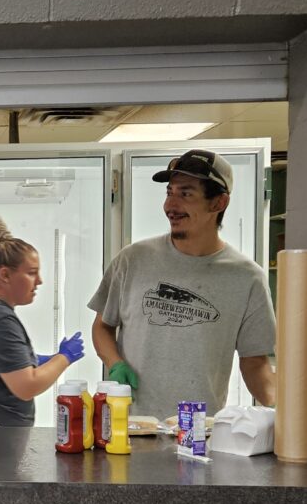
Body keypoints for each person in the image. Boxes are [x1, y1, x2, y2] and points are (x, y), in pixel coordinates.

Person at [89, 148, 276, 418]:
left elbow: (255, 361)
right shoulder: (132, 260)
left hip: (199, 431)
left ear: (219, 203)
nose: (170, 206)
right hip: (131, 426)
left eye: (186, 194)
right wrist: (115, 363)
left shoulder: (247, 278)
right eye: (169, 193)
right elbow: (102, 326)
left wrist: (276, 409)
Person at [0, 219, 86, 427]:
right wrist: (65, 357)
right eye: (32, 273)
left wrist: (39, 360)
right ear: (5, 275)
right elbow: (27, 386)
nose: (40, 281)